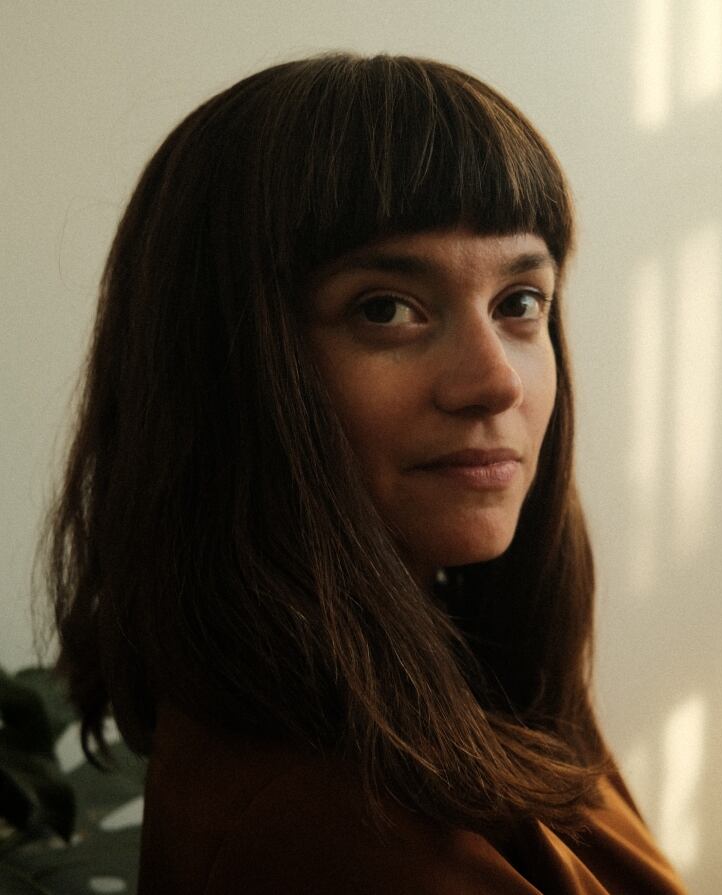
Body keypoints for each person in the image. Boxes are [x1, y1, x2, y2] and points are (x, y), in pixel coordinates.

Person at [45, 53, 687, 893]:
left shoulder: (467, 684)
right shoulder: (324, 827)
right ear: (223, 369)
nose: (494, 379)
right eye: (385, 308)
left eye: (519, 302)